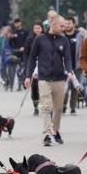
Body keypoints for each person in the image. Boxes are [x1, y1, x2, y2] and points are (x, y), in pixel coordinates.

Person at [24, 15, 73, 146]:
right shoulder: (40, 39)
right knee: (46, 107)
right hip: (44, 78)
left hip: (59, 79)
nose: (64, 28)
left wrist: (69, 71)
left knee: (58, 108)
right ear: (53, 25)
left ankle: (55, 130)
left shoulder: (64, 41)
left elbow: (68, 58)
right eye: (61, 26)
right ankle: (46, 134)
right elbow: (32, 58)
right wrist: (28, 76)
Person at [63, 16, 86, 115]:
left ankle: (73, 107)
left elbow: (84, 47)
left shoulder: (79, 35)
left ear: (73, 24)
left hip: (77, 65)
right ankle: (63, 105)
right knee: (64, 87)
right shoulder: (61, 35)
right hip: (64, 66)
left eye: (69, 23)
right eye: (66, 23)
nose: (67, 25)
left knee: (75, 87)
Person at [24, 21, 44, 115]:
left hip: (43, 65)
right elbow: (26, 54)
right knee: (34, 88)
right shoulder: (29, 39)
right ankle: (36, 106)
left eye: (38, 28)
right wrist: (27, 65)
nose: (37, 30)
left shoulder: (46, 38)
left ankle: (43, 105)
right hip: (32, 64)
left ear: (42, 29)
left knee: (44, 87)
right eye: (35, 28)